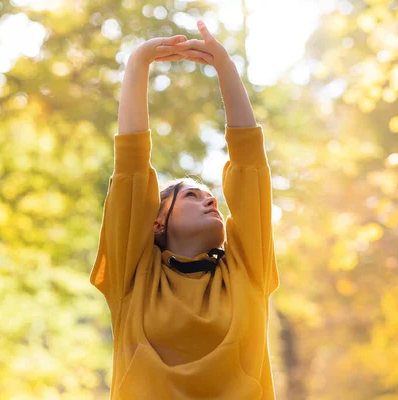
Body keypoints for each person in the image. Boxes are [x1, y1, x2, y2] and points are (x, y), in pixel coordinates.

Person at [90, 19, 279, 399]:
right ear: (157, 221)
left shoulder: (247, 272)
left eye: (210, 196)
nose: (211, 199)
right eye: (193, 196)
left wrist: (225, 66)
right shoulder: (134, 277)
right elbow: (130, 170)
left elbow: (250, 168)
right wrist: (138, 64)